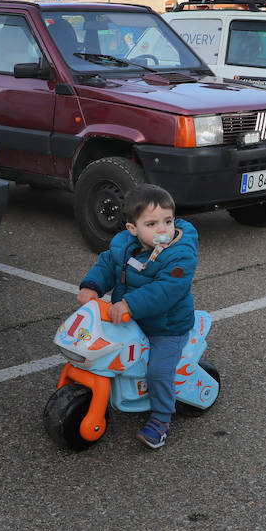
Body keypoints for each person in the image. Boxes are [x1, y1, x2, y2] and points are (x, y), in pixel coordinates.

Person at [76, 185, 199, 450]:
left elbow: (166, 290)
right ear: (133, 229)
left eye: (168, 221)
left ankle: (162, 419)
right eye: (152, 223)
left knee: (157, 370)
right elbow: (108, 264)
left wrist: (129, 303)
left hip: (166, 326)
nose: (163, 229)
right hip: (131, 316)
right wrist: (92, 286)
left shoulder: (180, 254)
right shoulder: (125, 244)